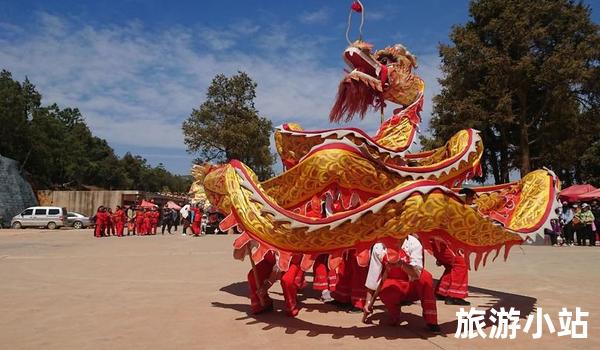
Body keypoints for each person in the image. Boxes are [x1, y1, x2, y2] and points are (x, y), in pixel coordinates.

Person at [364, 235, 440, 333]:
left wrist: (401, 264)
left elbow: (417, 273)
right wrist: (368, 303)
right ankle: (394, 315)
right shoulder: (379, 247)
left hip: (412, 284)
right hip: (393, 285)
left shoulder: (413, 243)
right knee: (387, 289)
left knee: (426, 277)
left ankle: (431, 321)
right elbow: (373, 277)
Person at [248, 252, 304, 317]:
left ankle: (291, 303)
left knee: (286, 280)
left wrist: (265, 287)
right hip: (271, 261)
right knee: (253, 275)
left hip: (291, 261)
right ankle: (264, 301)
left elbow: (276, 272)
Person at [430, 240, 470, 305]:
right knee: (460, 264)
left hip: (437, 245)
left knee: (450, 266)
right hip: (442, 244)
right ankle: (454, 296)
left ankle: (442, 292)